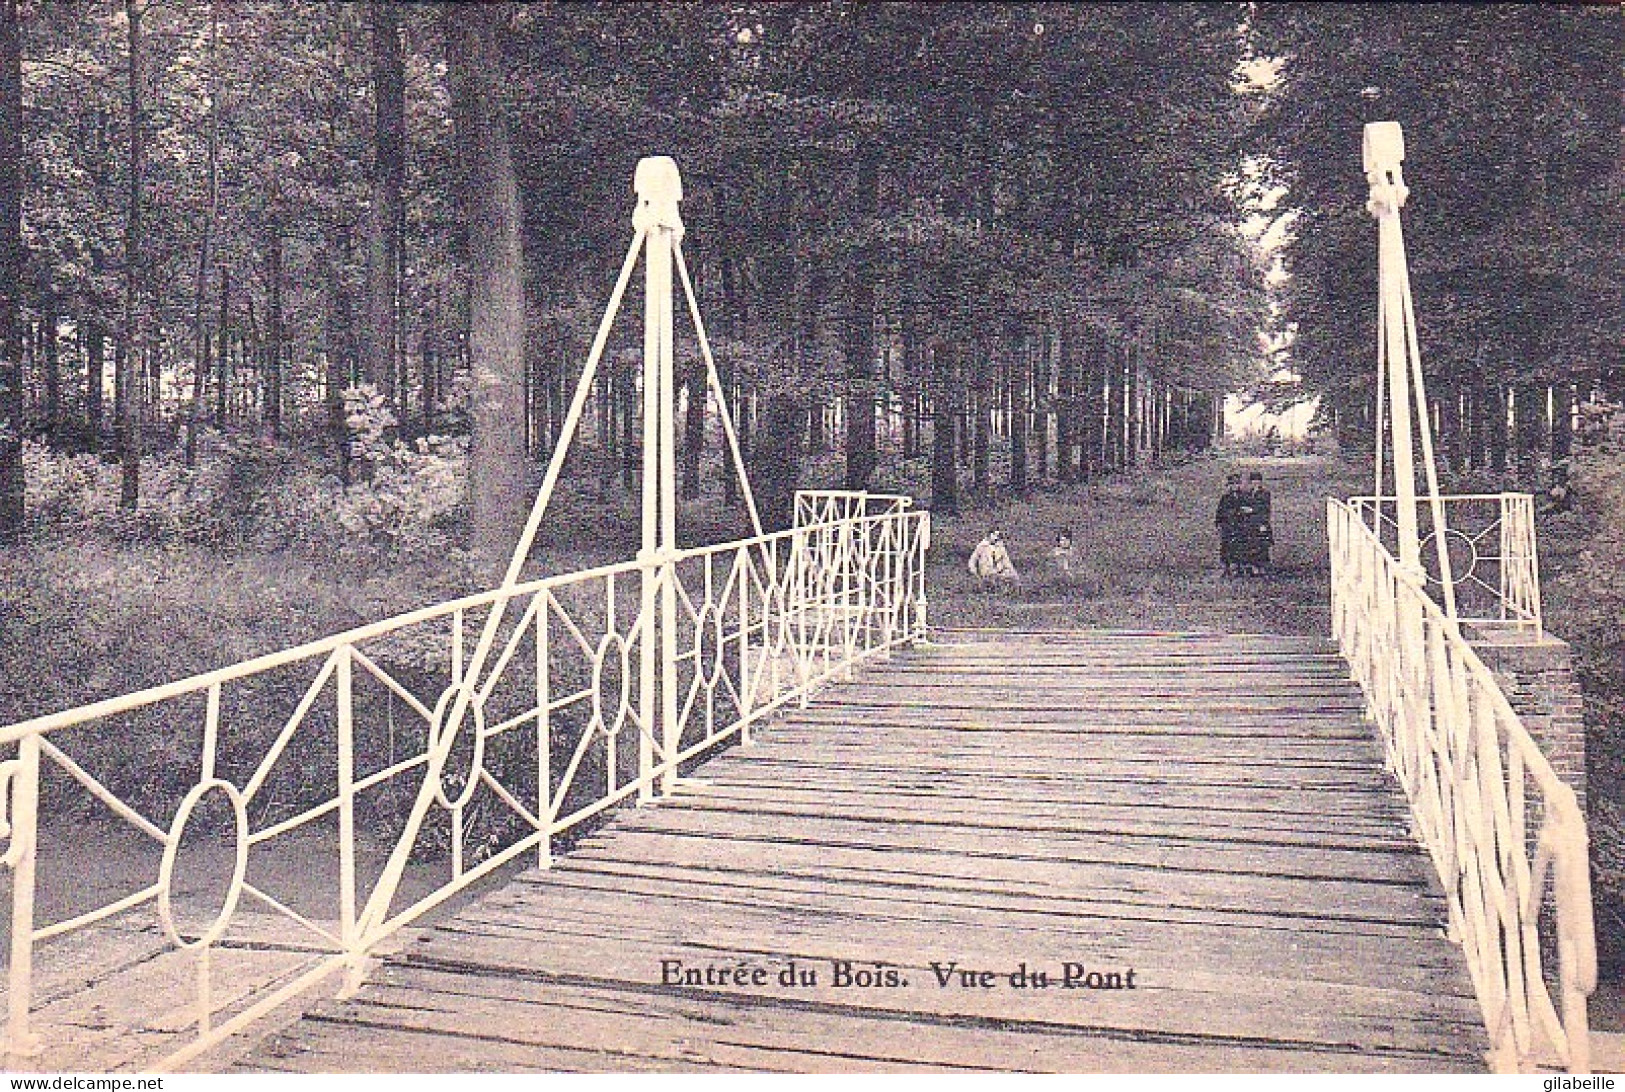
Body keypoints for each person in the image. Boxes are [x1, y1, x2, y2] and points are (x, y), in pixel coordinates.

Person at [1240, 470, 1273, 575]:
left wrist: (1253, 511)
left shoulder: (1265, 494)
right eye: (1253, 481)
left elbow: (1265, 509)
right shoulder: (1248, 493)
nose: (1256, 483)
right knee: (1252, 545)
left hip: (1261, 522)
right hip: (1251, 523)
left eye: (1258, 481)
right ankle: (1254, 566)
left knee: (1262, 545)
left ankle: (1261, 566)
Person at [1214, 473, 1245, 576]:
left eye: (1237, 483)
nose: (1235, 486)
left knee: (1239, 546)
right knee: (1226, 546)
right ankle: (1226, 568)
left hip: (1239, 525)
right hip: (1227, 525)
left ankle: (1239, 567)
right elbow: (1220, 511)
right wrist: (1218, 523)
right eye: (1232, 484)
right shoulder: (1225, 498)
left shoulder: (1244, 497)